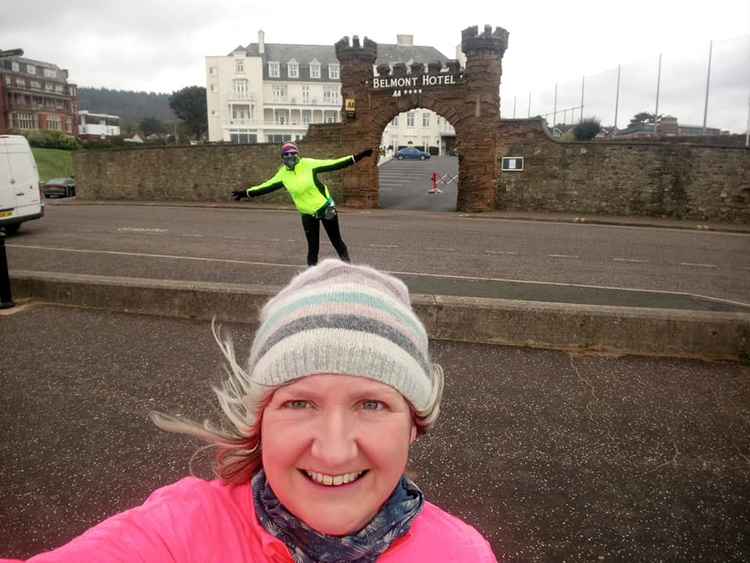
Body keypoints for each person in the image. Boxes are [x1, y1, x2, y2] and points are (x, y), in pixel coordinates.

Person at [8, 259, 497, 562]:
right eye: (298, 402)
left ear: (413, 426)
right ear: (260, 421)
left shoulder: (464, 554)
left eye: (372, 404)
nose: (331, 449)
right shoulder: (181, 532)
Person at [232, 143, 373, 267]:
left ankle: (347, 269)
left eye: (293, 153)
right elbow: (265, 187)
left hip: (326, 208)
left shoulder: (308, 164)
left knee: (336, 241)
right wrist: (245, 193)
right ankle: (311, 278)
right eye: (286, 155)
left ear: (298, 154)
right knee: (313, 248)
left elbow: (334, 163)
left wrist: (358, 156)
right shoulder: (282, 175)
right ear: (282, 158)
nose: (290, 157)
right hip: (307, 214)